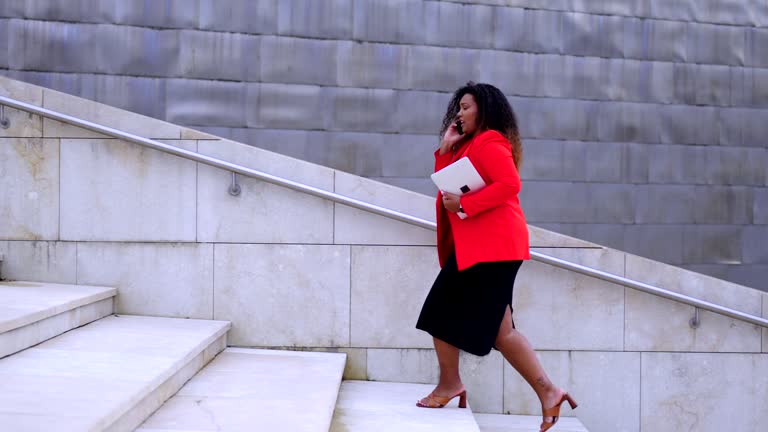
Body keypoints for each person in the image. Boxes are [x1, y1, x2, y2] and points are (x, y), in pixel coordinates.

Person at [415, 82, 577, 432]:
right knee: (502, 332)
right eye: (458, 107)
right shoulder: (469, 144)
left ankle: (450, 384)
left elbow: (509, 184)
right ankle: (549, 392)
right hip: (486, 248)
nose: (459, 113)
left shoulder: (490, 141)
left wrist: (466, 205)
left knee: (438, 310)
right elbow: (448, 183)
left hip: (492, 249)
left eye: (466, 107)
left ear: (484, 110)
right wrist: (446, 147)